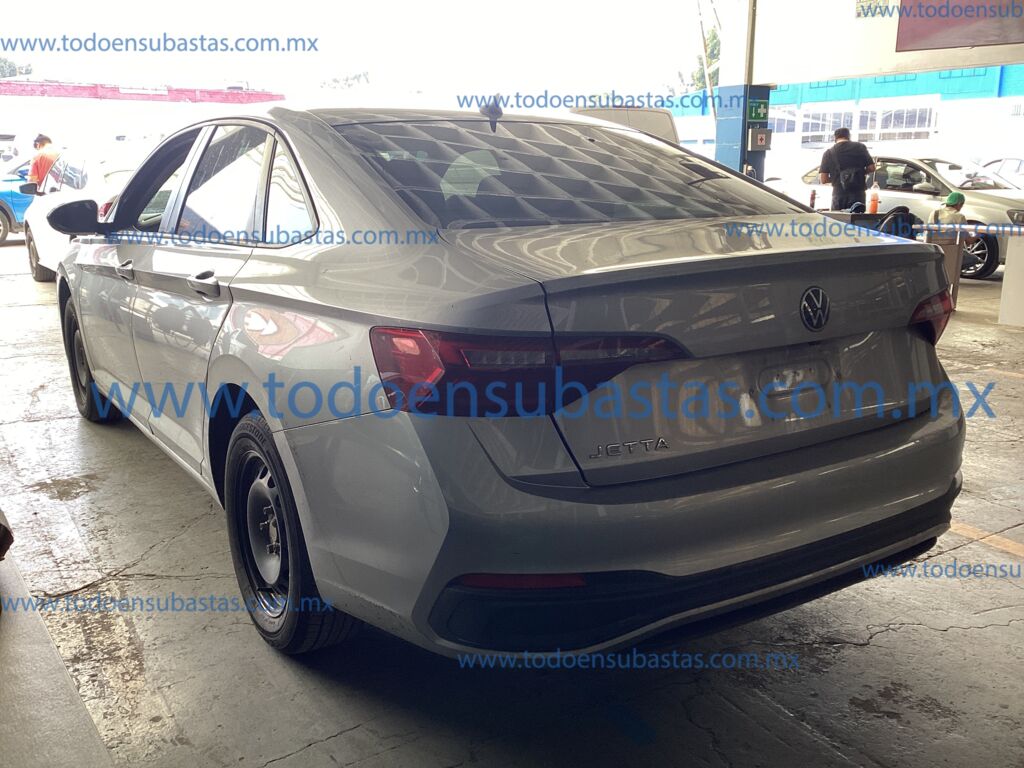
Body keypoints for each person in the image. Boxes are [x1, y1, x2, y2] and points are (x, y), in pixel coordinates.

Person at [925, 191, 976, 309]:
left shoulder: (935, 213)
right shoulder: (959, 216)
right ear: (959, 204)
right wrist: (978, 235)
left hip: (934, 250)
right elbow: (969, 240)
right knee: (972, 259)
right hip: (952, 251)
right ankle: (950, 296)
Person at [818, 127, 876, 210]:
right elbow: (872, 168)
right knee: (857, 217)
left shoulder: (829, 153)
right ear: (849, 136)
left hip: (839, 194)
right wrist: (859, 173)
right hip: (858, 193)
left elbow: (823, 179)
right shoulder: (860, 147)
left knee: (838, 218)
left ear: (835, 138)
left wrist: (838, 178)